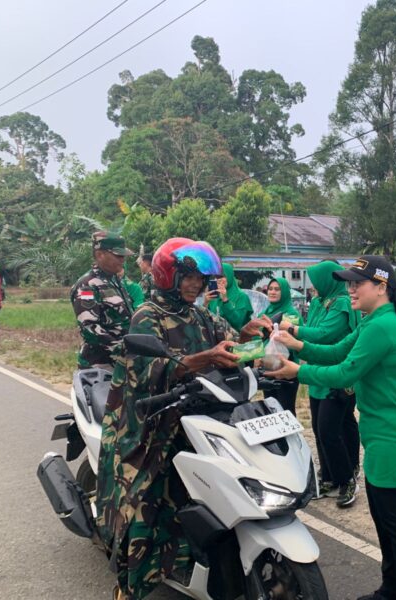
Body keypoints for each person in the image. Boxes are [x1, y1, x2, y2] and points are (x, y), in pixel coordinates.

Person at [96, 237, 264, 600]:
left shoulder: (201, 315)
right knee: (146, 502)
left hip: (196, 417)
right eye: (188, 276)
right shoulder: (148, 316)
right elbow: (150, 370)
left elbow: (228, 345)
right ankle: (129, 584)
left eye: (201, 279)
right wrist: (205, 358)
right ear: (168, 274)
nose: (195, 284)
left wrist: (247, 338)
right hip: (149, 426)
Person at [266, 255, 396, 600]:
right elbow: (339, 350)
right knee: (386, 526)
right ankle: (393, 589)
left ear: (382, 287)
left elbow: (345, 373)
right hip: (384, 437)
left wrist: (297, 372)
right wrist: (298, 345)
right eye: (348, 282)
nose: (351, 289)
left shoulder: (382, 326)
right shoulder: (375, 319)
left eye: (358, 283)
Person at [280, 260, 361, 507]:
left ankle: (348, 479)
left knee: (329, 430)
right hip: (316, 371)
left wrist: (294, 331)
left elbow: (326, 334)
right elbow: (311, 329)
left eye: (317, 281)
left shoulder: (342, 304)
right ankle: (329, 477)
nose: (314, 286)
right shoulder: (318, 302)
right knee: (319, 427)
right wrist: (296, 326)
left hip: (336, 375)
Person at [70, 232, 135, 370]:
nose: (122, 260)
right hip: (100, 365)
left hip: (123, 363)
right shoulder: (87, 286)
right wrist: (122, 350)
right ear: (100, 255)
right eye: (118, 255)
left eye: (123, 256)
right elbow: (89, 327)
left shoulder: (115, 281)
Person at [258, 277, 304, 414]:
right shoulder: (264, 312)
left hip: (286, 369)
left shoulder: (291, 314)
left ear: (284, 292)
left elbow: (290, 342)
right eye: (270, 289)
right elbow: (258, 337)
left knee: (286, 411)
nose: (272, 292)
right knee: (271, 410)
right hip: (268, 367)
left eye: (277, 289)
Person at [205, 263, 254, 331]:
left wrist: (225, 300)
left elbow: (238, 323)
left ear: (229, 276)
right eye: (216, 276)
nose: (218, 279)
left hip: (237, 339)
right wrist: (205, 303)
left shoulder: (242, 297)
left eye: (221, 276)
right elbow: (205, 322)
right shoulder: (214, 296)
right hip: (216, 337)